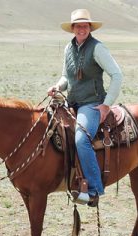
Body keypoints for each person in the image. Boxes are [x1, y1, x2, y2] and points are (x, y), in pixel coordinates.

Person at [48, 8, 123, 206]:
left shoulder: (97, 48)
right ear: (72, 28)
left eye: (85, 25)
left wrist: (107, 105)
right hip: (71, 102)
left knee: (81, 139)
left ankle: (93, 189)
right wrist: (57, 86)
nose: (81, 29)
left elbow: (117, 75)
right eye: (78, 25)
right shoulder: (68, 48)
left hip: (92, 103)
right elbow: (66, 76)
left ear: (90, 27)